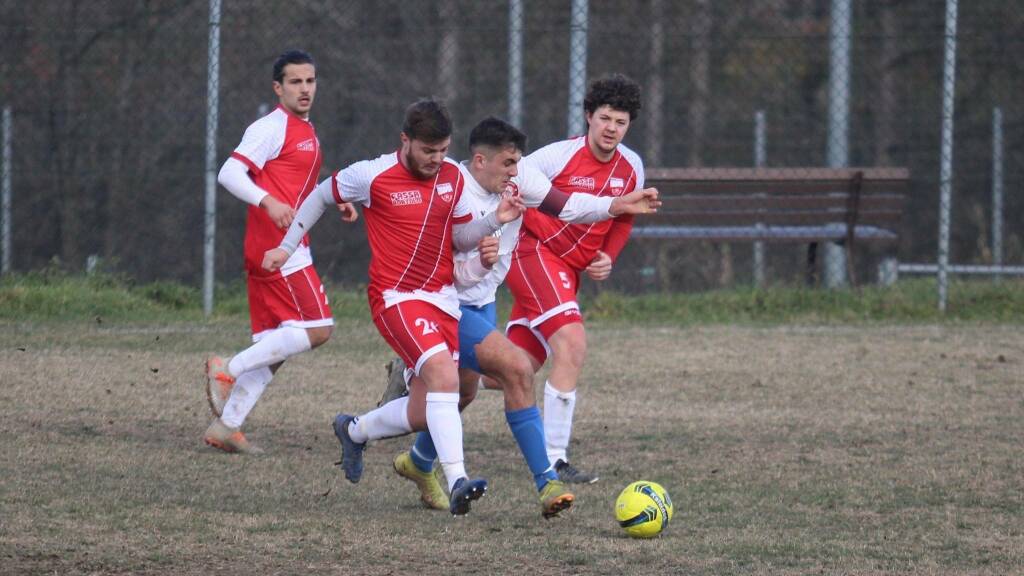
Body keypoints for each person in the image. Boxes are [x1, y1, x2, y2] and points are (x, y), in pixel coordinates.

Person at [382, 117, 659, 517]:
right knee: (521, 367)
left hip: (482, 298)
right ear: (480, 161)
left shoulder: (522, 178)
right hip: (444, 303)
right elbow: (414, 221)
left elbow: (567, 206)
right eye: (509, 163)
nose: (516, 171)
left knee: (467, 391)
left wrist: (614, 206)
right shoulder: (453, 187)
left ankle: (415, 460)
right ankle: (548, 476)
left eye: (517, 163)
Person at [263, 100, 522, 516]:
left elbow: (462, 235)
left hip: (443, 299)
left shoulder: (453, 176)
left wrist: (496, 221)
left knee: (424, 411)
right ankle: (457, 479)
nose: (437, 160)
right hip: (396, 298)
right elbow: (318, 197)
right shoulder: (372, 175)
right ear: (406, 141)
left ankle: (355, 429)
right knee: (444, 377)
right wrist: (286, 246)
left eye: (442, 150)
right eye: (427, 151)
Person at [202, 50, 357, 454]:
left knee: (277, 344)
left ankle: (228, 426)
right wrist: (268, 201)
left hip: (283, 242)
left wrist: (329, 197)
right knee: (318, 329)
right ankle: (227, 369)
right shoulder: (271, 126)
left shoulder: (304, 128)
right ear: (278, 87)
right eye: (295, 82)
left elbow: (294, 179)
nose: (305, 89)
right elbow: (229, 172)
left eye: (310, 81)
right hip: (278, 247)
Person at [502, 74, 647, 483]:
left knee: (518, 367)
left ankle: (427, 377)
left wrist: (608, 255)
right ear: (588, 117)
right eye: (604, 119)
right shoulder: (557, 157)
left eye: (620, 122)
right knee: (572, 341)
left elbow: (625, 216)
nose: (611, 129)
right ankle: (553, 460)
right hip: (534, 251)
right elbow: (511, 181)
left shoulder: (632, 166)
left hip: (567, 271)